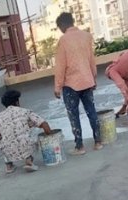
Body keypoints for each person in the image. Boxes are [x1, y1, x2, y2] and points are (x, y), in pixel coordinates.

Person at [54, 12, 103, 155]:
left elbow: (60, 66)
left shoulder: (63, 40)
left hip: (71, 85)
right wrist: (93, 78)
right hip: (87, 81)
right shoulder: (86, 36)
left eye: (59, 27)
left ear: (62, 25)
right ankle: (98, 142)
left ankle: (79, 147)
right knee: (91, 111)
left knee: (73, 115)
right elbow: (91, 60)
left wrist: (57, 87)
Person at [0, 90, 52, 174]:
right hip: (25, 146)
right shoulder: (25, 111)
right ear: (17, 102)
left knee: (3, 143)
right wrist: (48, 135)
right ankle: (29, 161)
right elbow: (44, 124)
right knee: (27, 139)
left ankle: (9, 166)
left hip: (8, 151)